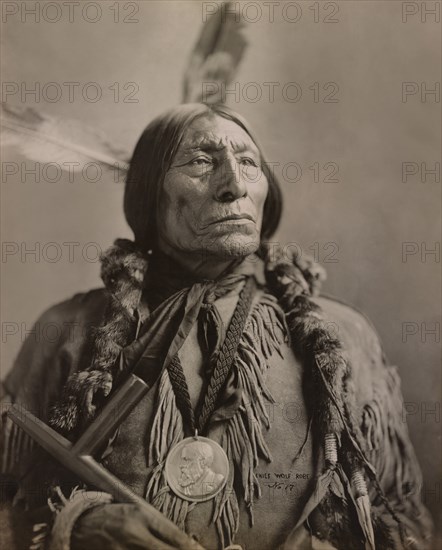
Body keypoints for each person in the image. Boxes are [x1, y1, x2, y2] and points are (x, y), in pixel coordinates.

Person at [0, 103, 433, 550]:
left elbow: (400, 518)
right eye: (201, 162)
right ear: (151, 194)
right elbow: (5, 508)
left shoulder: (339, 336)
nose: (234, 184)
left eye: (249, 163)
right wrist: (74, 527)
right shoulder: (70, 330)